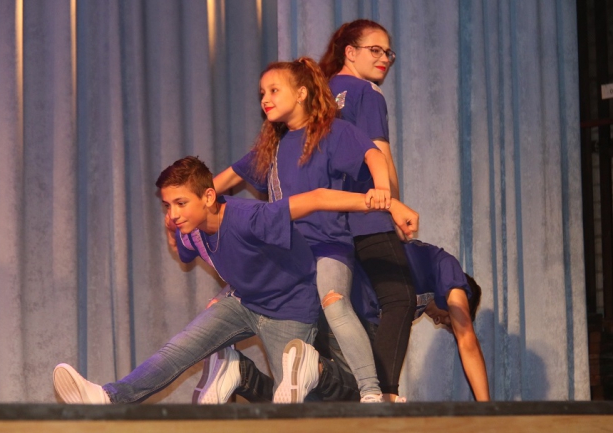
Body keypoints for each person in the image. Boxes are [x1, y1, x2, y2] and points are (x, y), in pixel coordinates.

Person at [52, 156, 419, 405]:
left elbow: (318, 198)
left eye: (180, 203)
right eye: (167, 206)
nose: (173, 214)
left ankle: (310, 368)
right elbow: (184, 251)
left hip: (290, 308)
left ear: (208, 196)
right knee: (178, 349)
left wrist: (389, 204)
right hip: (243, 303)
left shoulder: (249, 217)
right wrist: (171, 231)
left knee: (300, 405)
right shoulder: (191, 231)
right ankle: (108, 396)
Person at [210, 57, 394, 402]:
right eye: (262, 93)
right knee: (220, 305)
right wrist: (196, 203)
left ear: (301, 93)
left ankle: (371, 392)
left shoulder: (333, 132)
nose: (265, 99)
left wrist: (382, 189)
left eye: (274, 90)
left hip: (326, 246)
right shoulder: (272, 147)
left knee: (335, 304)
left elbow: (373, 155)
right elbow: (221, 182)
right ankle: (231, 369)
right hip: (284, 251)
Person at [196, 240, 490, 403]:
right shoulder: (446, 267)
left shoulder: (419, 298)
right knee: (360, 397)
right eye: (447, 320)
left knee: (307, 407)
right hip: (352, 312)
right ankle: (318, 369)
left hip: (325, 309)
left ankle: (241, 374)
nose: (441, 322)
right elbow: (467, 339)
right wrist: (488, 410)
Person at [317, 19, 417, 402]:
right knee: (399, 297)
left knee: (340, 312)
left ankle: (346, 392)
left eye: (388, 52)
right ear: (350, 52)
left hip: (327, 220)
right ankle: (382, 394)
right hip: (366, 210)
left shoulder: (322, 93)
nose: (384, 58)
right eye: (375, 50)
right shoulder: (366, 92)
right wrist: (393, 205)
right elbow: (380, 156)